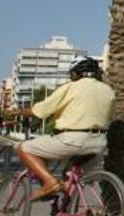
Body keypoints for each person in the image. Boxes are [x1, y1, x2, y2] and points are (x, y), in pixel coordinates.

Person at [14, 56, 114, 200]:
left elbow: (41, 111)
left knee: (23, 148)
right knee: (71, 177)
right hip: (99, 144)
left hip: (71, 140)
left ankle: (49, 182)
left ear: (75, 73)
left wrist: (20, 112)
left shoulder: (70, 87)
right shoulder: (108, 91)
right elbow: (110, 117)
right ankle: (68, 213)